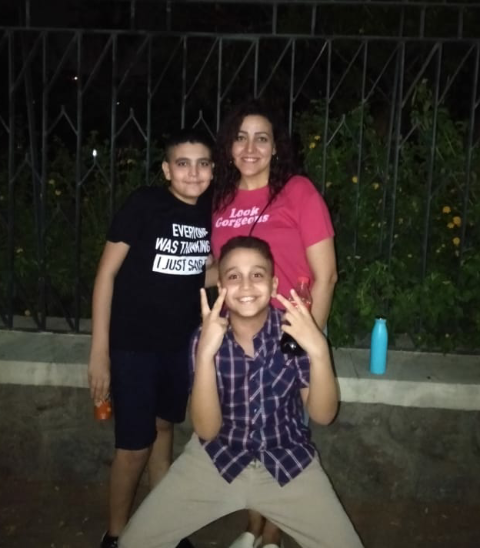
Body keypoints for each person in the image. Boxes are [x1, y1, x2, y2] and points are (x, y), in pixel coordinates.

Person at [118, 236, 363, 548]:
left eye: (257, 274)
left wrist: (319, 350)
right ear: (221, 286)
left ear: (274, 285)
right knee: (134, 542)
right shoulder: (205, 337)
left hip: (288, 462)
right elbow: (207, 430)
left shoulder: (294, 333)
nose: (246, 285)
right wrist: (205, 355)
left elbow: (323, 415)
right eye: (233, 276)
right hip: (216, 460)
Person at [211, 98, 338, 548]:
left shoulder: (298, 192)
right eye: (241, 137)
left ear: (276, 147)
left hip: (290, 331)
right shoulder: (222, 201)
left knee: (287, 436)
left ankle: (270, 535)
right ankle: (253, 525)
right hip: (242, 334)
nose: (250, 148)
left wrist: (304, 339)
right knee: (248, 431)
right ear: (229, 147)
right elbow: (217, 267)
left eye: (261, 138)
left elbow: (326, 275)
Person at [88, 128, 215, 548]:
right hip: (133, 346)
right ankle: (115, 535)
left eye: (202, 163)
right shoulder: (144, 204)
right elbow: (106, 274)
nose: (193, 172)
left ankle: (163, 529)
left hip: (179, 347)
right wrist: (99, 351)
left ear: (212, 169)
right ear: (166, 169)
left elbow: (200, 271)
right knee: (134, 446)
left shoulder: (209, 211)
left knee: (164, 431)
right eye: (183, 163)